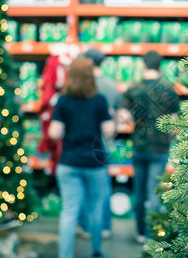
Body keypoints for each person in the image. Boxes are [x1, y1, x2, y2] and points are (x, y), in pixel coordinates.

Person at [49, 58, 114, 258]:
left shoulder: (63, 101)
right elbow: (108, 131)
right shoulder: (100, 100)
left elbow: (54, 132)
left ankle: (65, 255)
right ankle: (96, 251)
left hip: (69, 163)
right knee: (95, 210)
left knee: (69, 212)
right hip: (95, 164)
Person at [117, 50, 180, 243]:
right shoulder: (168, 89)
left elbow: (122, 117)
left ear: (143, 64)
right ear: (159, 65)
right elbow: (174, 122)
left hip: (139, 147)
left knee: (139, 191)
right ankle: (152, 235)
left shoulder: (133, 88)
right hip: (160, 148)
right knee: (154, 192)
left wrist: (134, 120)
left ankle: (140, 232)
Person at [78, 48, 122, 239]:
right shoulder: (112, 86)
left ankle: (85, 227)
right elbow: (118, 117)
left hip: (81, 141)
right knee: (103, 186)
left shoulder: (80, 85)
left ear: (88, 61)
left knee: (80, 186)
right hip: (103, 142)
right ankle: (104, 226)